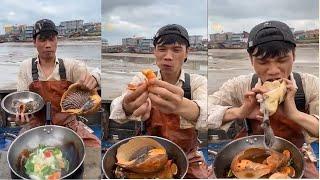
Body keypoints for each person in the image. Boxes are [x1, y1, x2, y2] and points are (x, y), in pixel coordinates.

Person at [208, 20, 319, 178]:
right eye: (263, 62)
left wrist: (295, 113)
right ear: (251, 59)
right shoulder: (240, 85)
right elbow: (202, 111)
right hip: (249, 153)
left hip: (296, 153)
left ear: (294, 55)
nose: (273, 71)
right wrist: (239, 112)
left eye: (282, 60)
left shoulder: (309, 85)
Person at [110, 24, 209, 178]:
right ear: (154, 52)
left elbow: (207, 113)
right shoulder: (142, 79)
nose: (168, 56)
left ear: (187, 53)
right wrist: (127, 106)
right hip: (145, 153)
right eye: (162, 49)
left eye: (176, 50)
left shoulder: (197, 82)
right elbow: (117, 109)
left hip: (187, 156)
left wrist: (182, 106)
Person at [13, 19, 101, 147]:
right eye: (42, 40)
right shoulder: (25, 67)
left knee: (95, 148)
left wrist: (95, 77)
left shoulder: (71, 66)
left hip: (69, 126)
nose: (48, 45)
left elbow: (98, 73)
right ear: (34, 42)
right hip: (36, 127)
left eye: (51, 39)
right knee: (20, 152)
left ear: (57, 41)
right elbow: (21, 101)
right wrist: (21, 118)